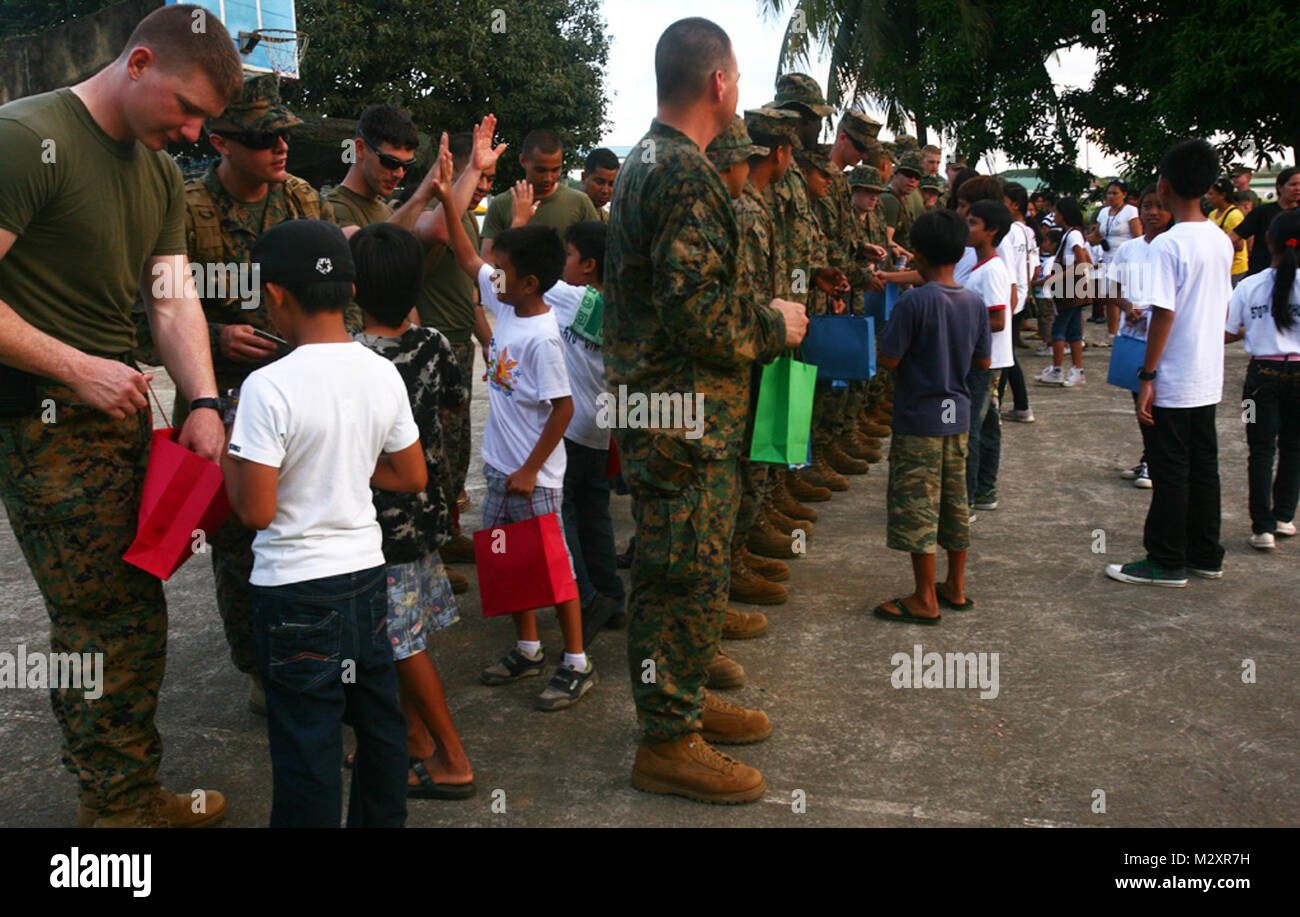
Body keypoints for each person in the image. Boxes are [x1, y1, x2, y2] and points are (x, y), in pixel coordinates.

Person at [0, 3, 240, 828]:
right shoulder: (27, 137)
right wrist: (76, 367)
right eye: (188, 109)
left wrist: (202, 401)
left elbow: (172, 301)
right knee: (99, 615)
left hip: (119, 418)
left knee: (132, 606)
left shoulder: (159, 172)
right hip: (43, 423)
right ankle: (118, 806)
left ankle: (126, 792)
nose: (196, 133)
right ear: (138, 64)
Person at [605, 17, 806, 804]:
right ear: (719, 83)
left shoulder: (643, 160)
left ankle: (679, 704)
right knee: (680, 573)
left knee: (679, 569)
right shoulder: (683, 173)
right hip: (683, 419)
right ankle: (667, 739)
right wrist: (775, 323)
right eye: (739, 80)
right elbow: (696, 312)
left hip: (667, 411)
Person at [224, 219, 426, 827]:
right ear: (350, 292)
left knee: (307, 742)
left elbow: (256, 510)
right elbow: (412, 475)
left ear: (277, 294)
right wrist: (347, 470)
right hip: (364, 578)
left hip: (293, 591)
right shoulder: (380, 371)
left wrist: (234, 458)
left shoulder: (266, 386)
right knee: (380, 723)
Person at [181, 73, 338, 714]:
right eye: (262, 137)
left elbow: (338, 296)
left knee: (310, 520)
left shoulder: (302, 200)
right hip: (224, 400)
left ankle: (316, 651)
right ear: (220, 141)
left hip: (301, 393)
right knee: (238, 540)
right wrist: (215, 337)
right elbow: (150, 312)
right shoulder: (184, 210)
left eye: (284, 135)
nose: (279, 147)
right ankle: (257, 667)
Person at [440, 178, 601, 710]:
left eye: (502, 270)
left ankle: (576, 661)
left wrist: (532, 469)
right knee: (508, 563)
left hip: (533, 478)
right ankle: (528, 648)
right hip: (500, 469)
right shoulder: (509, 303)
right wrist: (448, 198)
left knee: (552, 569)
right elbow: (469, 259)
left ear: (529, 282)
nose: (492, 274)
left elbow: (564, 409)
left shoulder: (543, 338)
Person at [349, 217, 476, 799]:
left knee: (401, 642)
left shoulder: (351, 358)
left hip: (377, 525)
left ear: (352, 288)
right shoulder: (433, 344)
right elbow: (453, 405)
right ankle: (417, 739)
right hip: (425, 511)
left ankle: (453, 757)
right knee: (404, 634)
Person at [1106, 139, 1231, 588]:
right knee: (1203, 467)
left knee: (1169, 469)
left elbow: (1163, 311)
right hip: (1207, 374)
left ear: (1165, 184)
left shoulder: (1169, 244)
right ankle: (1205, 553)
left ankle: (1166, 559)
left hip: (1173, 375)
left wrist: (1148, 375)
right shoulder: (1219, 239)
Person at [872, 208, 991, 624]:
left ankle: (924, 597)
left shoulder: (911, 302)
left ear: (916, 255)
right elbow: (983, 361)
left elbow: (888, 360)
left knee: (918, 507)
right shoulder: (974, 303)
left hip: (918, 418)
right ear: (959, 254)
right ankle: (955, 587)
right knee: (955, 505)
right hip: (955, 417)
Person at [411, 121, 507, 569]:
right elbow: (438, 239)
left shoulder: (465, 214)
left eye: (489, 179)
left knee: (457, 449)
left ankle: (448, 531)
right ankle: (431, 548)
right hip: (431, 344)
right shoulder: (428, 214)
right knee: (432, 451)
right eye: (478, 175)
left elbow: (471, 294)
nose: (484, 185)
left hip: (459, 347)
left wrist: (488, 343)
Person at [546, 219, 631, 639]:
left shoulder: (570, 298)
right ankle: (613, 596)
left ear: (587, 266)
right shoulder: (620, 306)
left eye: (568, 255)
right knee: (595, 513)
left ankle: (586, 598)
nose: (563, 262)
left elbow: (497, 270)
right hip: (601, 432)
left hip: (567, 431)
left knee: (567, 519)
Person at [1224, 209, 1300, 550]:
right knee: (1295, 448)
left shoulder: (1249, 286)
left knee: (1260, 450)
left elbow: (1228, 332)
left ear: (1268, 240)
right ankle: (1285, 517)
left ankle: (1262, 527)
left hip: (1260, 380)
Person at [1109, 184, 1173, 490]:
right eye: (1147, 206)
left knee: (1160, 404)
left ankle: (1156, 462)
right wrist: (1128, 308)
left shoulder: (1174, 246)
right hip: (1133, 336)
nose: (1153, 212)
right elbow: (1112, 288)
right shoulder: (1129, 249)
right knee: (1140, 401)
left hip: (1165, 338)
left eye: (1160, 206)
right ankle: (1149, 457)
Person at [963, 200, 1014, 516]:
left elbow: (997, 320)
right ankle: (984, 489)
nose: (966, 229)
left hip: (985, 361)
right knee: (987, 425)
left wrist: (960, 325)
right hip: (988, 360)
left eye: (972, 223)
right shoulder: (982, 267)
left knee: (969, 430)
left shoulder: (992, 270)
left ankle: (965, 500)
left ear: (991, 230)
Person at [480, 128, 599, 258]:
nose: (548, 178)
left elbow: (598, 254)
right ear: (523, 161)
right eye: (540, 170)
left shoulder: (580, 202)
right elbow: (489, 263)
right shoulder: (501, 204)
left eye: (555, 170)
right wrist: (503, 279)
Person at [1035, 196, 1092, 387]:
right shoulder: (1071, 234)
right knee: (1074, 332)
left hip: (1069, 289)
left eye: (1056, 212)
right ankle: (1078, 370)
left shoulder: (1073, 235)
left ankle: (1057, 369)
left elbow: (1082, 262)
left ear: (1064, 214)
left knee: (1058, 330)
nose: (1054, 216)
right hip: (1072, 288)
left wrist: (1057, 277)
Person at [999, 181, 1038, 422]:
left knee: (1005, 356)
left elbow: (1007, 268)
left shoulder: (1010, 231)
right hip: (1022, 296)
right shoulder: (1028, 231)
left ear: (1014, 204)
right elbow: (1033, 268)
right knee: (1008, 354)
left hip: (1010, 298)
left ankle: (1011, 404)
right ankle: (1020, 405)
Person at [1087, 180, 1141, 341]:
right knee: (1109, 296)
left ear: (1124, 194)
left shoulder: (1130, 211)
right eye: (1109, 193)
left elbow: (1138, 236)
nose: (1111, 196)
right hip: (1107, 257)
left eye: (1115, 193)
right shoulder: (1104, 212)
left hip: (1125, 257)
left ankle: (1129, 330)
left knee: (1123, 296)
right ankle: (1112, 334)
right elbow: (1097, 235)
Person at [1230, 167, 1300, 277]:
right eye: (1293, 184)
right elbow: (1233, 237)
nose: (1298, 188)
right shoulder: (1262, 213)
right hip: (1262, 275)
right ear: (1279, 187)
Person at [1205, 177, 1248, 284]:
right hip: (1221, 268)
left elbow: (1239, 246)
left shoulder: (1234, 216)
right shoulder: (1212, 214)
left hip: (1234, 270)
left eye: (1211, 194)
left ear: (1222, 195)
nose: (1207, 197)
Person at [580, 148, 620, 220]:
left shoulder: (607, 219)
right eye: (599, 182)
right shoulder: (569, 211)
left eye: (611, 184)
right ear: (584, 177)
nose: (605, 191)